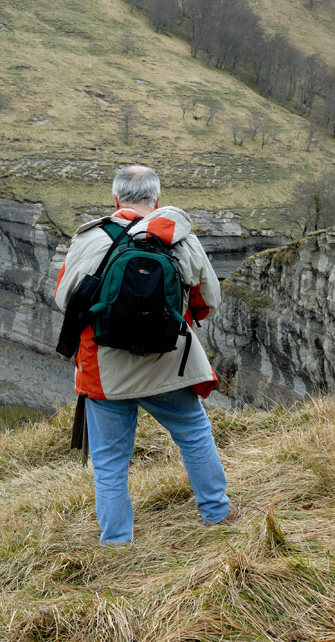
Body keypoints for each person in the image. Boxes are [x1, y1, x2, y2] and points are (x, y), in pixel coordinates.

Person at [54, 165, 236, 543]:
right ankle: (217, 513)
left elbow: (64, 299)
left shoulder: (90, 239)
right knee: (194, 433)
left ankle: (118, 543)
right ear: (157, 198)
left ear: (116, 199)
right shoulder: (182, 240)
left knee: (109, 463)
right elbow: (208, 302)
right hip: (166, 364)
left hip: (105, 373)